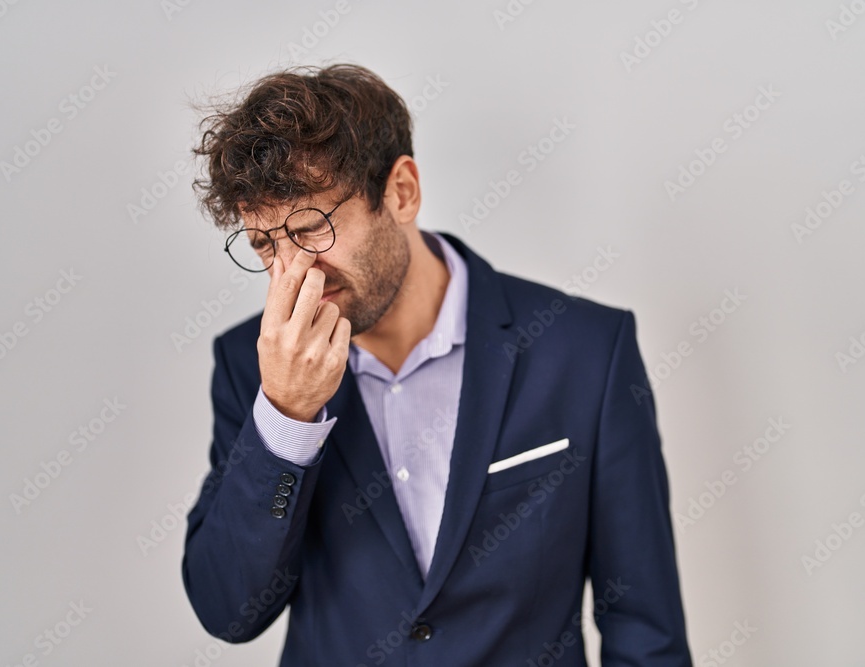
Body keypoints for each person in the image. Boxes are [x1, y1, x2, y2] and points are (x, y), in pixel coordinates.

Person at [181, 63, 693, 666]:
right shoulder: (253, 366)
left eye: (313, 228)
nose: (295, 275)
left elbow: (644, 625)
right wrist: (286, 416)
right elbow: (228, 610)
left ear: (401, 192)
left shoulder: (585, 350)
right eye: (266, 245)